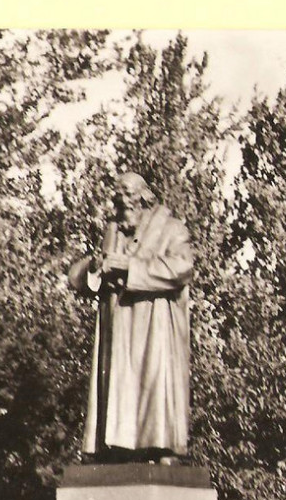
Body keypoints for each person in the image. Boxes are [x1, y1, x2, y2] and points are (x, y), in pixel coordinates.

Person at [68, 172, 193, 463]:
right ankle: (116, 449)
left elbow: (182, 268)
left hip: (153, 328)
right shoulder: (112, 232)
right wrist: (96, 266)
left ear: (144, 199)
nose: (121, 208)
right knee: (117, 389)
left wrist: (130, 267)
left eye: (128, 198)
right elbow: (79, 279)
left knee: (154, 388)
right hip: (117, 328)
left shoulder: (171, 229)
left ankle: (163, 448)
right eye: (118, 200)